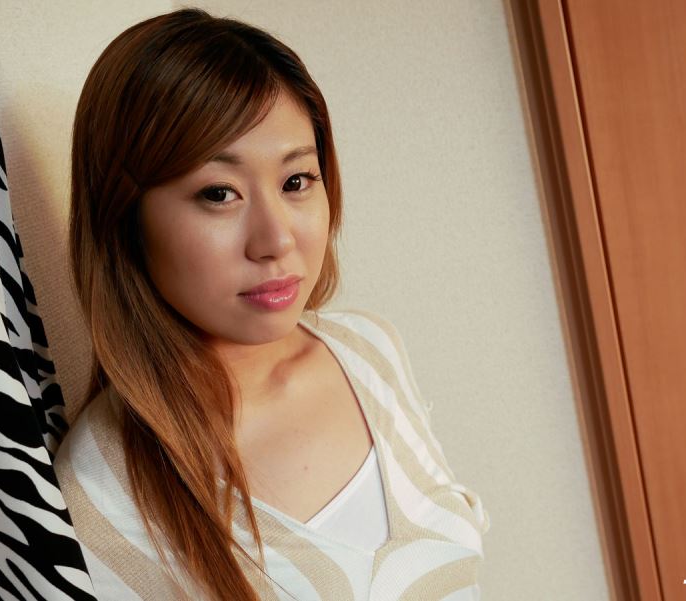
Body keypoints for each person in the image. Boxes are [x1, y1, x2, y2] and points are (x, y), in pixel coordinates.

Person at [54, 7, 490, 600]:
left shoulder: (369, 350)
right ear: (124, 218)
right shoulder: (102, 491)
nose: (276, 240)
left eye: (296, 182)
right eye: (219, 193)